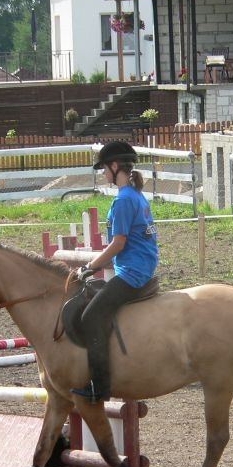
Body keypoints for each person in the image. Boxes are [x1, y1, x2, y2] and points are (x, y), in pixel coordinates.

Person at [72, 141, 159, 403]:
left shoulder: (123, 200)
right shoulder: (135, 195)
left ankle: (100, 387)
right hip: (140, 264)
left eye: (104, 169)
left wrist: (89, 267)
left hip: (133, 271)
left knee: (90, 316)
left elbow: (118, 243)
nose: (103, 174)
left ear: (114, 166)